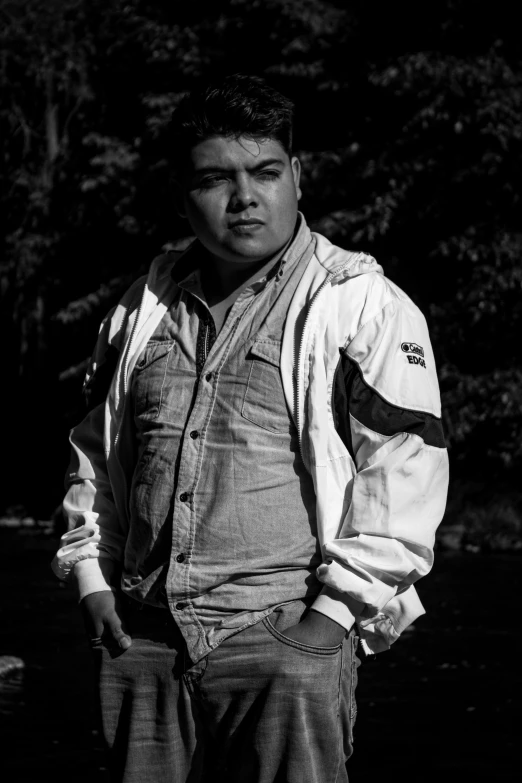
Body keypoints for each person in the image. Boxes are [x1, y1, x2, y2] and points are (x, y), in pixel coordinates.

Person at [52, 74, 449, 783]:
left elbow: (406, 476)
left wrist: (325, 626)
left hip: (283, 638)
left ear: (297, 175)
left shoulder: (362, 304)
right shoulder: (139, 309)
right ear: (183, 193)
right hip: (140, 642)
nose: (244, 197)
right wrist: (90, 578)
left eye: (265, 172)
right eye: (216, 178)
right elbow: (95, 452)